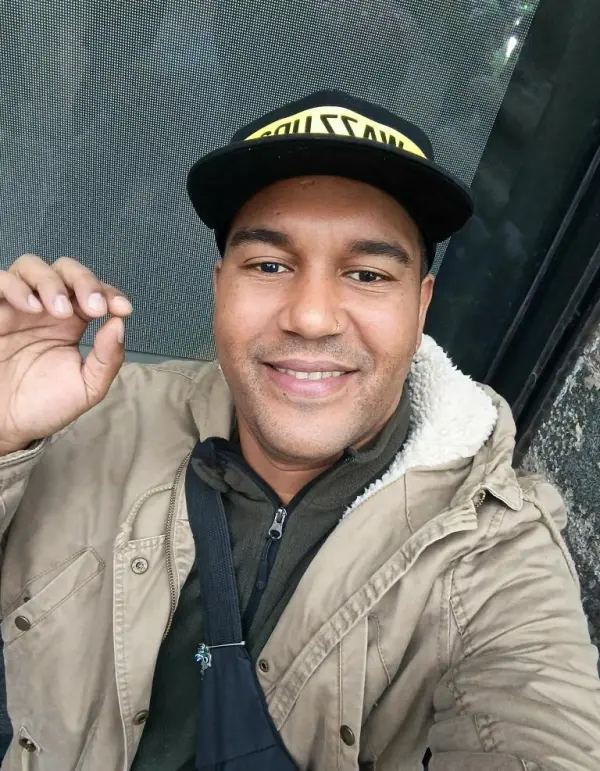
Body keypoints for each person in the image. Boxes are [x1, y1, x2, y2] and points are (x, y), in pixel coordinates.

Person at [0, 90, 598, 771]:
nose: (311, 317)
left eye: (367, 274)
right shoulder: (89, 420)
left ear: (421, 306)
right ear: (219, 286)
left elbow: (541, 721)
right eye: (269, 266)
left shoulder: (491, 546)